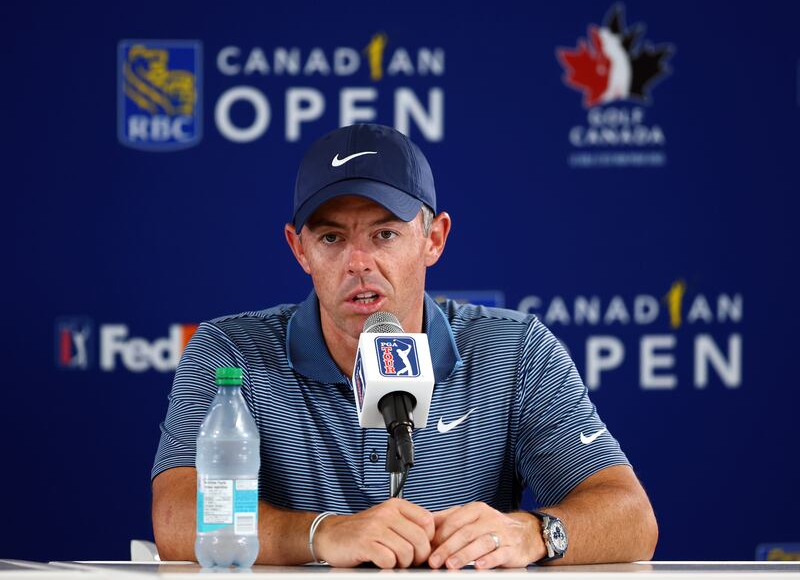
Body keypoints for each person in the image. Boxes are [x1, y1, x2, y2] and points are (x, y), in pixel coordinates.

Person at [151, 123, 658, 569]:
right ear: (298, 247)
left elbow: (631, 517)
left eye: (385, 234)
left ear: (433, 239)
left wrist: (533, 533)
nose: (358, 262)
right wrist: (321, 535)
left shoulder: (514, 347)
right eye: (330, 238)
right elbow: (176, 517)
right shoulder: (229, 349)